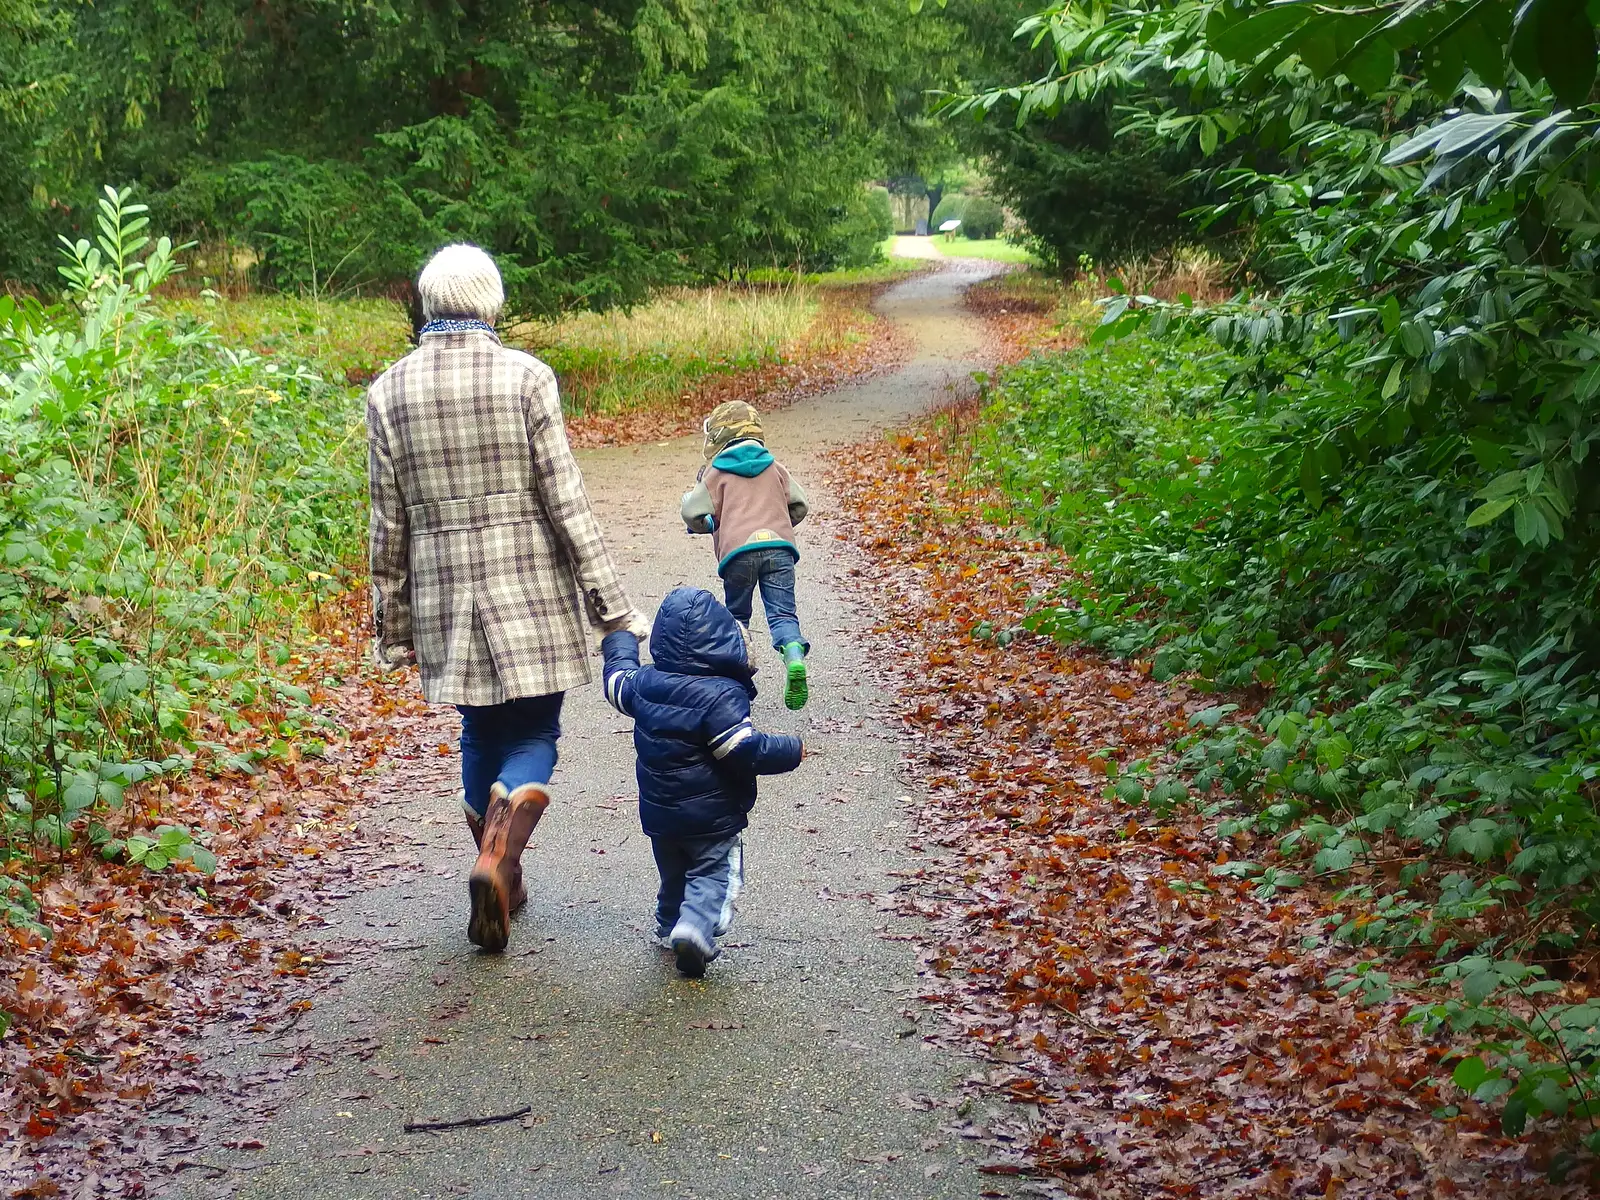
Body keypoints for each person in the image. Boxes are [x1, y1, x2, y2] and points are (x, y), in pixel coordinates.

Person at [366, 243, 646, 954]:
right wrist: (610, 605)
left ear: (428, 303)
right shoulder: (526, 376)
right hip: (528, 583)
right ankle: (503, 854)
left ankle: (502, 871)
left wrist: (393, 623)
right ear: (490, 302)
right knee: (534, 731)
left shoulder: (387, 391)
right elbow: (566, 498)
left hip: (444, 592)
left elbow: (386, 521)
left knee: (479, 728)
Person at [599, 587, 804, 977]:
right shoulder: (722, 695)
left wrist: (620, 640)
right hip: (712, 816)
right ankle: (695, 928)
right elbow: (741, 748)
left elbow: (615, 682)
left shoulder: (644, 684)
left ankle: (669, 925)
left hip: (660, 813)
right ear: (724, 641)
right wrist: (790, 749)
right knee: (713, 872)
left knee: (674, 870)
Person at [679, 401, 812, 710]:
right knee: (782, 614)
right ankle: (793, 655)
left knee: (737, 618)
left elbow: (692, 511)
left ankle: (738, 680)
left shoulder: (715, 473)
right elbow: (800, 504)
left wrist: (708, 524)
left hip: (738, 553)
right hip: (780, 549)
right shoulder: (774, 466)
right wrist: (779, 523)